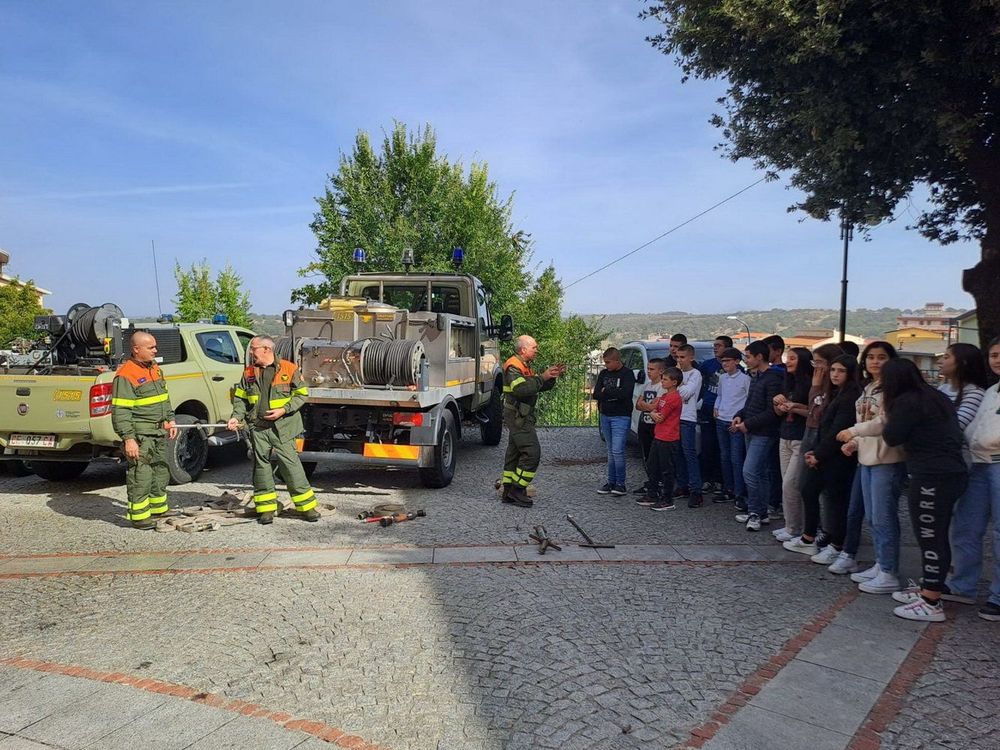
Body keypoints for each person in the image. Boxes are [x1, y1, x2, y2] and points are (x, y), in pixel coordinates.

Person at [845, 359, 969, 622]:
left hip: (932, 476)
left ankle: (931, 602)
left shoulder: (906, 402)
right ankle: (930, 589)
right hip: (949, 472)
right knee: (935, 535)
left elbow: (892, 436)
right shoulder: (931, 395)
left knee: (930, 537)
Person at [227, 336, 318, 525]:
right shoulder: (249, 373)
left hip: (283, 428)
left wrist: (283, 410)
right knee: (261, 468)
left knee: (290, 466)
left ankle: (307, 508)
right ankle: (266, 509)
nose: (250, 352)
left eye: (253, 348)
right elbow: (241, 399)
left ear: (267, 349)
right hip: (258, 428)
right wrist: (236, 417)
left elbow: (301, 395)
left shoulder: (289, 368)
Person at [840, 341, 906, 594]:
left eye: (881, 357)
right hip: (866, 459)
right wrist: (855, 442)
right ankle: (881, 563)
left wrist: (852, 432)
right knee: (873, 517)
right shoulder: (869, 387)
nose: (875, 362)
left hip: (887, 460)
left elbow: (883, 423)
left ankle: (889, 571)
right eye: (871, 357)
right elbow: (867, 422)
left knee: (884, 516)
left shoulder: (895, 391)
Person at [784, 355, 860, 562]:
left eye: (840, 370)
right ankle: (809, 538)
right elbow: (816, 415)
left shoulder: (850, 396)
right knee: (809, 489)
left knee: (835, 500)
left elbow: (834, 427)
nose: (834, 374)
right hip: (821, 448)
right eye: (833, 369)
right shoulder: (835, 392)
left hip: (836, 455)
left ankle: (836, 544)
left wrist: (819, 454)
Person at [946, 336, 1000, 622]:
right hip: (979, 464)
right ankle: (962, 585)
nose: (997, 359)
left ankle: (998, 596)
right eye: (993, 355)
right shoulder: (991, 391)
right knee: (966, 526)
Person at [111, 332, 177, 529]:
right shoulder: (125, 375)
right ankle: (139, 516)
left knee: (160, 470)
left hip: (159, 432)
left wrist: (170, 420)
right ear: (136, 349)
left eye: (155, 347)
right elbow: (120, 411)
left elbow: (164, 398)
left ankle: (158, 509)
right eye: (151, 348)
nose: (155, 351)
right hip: (141, 436)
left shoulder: (154, 369)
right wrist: (128, 439)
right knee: (141, 475)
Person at [498, 335, 565, 507]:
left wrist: (551, 377)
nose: (537, 350)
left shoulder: (524, 365)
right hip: (518, 416)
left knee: (514, 453)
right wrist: (542, 377)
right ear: (523, 349)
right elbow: (521, 390)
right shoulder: (513, 366)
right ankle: (518, 489)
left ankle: (508, 491)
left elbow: (536, 386)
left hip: (520, 414)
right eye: (534, 347)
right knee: (532, 453)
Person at [732, 340, 784, 530]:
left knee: (750, 471)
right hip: (751, 430)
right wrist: (740, 416)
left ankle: (754, 511)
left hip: (764, 432)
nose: (746, 360)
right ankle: (761, 512)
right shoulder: (756, 377)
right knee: (759, 473)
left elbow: (772, 411)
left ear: (759, 357)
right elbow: (750, 404)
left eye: (748, 356)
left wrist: (748, 423)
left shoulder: (773, 379)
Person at [772, 347, 814, 543]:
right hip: (785, 434)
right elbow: (779, 412)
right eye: (788, 358)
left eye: (793, 359)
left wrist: (794, 407)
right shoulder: (787, 381)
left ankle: (798, 528)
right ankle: (791, 525)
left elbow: (814, 412)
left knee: (792, 484)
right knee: (786, 484)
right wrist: (778, 403)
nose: (788, 362)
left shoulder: (811, 384)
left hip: (800, 437)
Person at [638, 366, 683, 511]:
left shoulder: (673, 398)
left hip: (669, 437)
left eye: (665, 380)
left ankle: (667, 499)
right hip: (659, 435)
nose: (662, 382)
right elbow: (652, 407)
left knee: (666, 469)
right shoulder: (664, 396)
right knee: (652, 465)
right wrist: (652, 411)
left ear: (674, 382)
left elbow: (659, 416)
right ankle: (653, 493)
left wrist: (651, 411)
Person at [593, 347, 636, 496]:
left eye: (608, 362)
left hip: (620, 416)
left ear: (617, 361)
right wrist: (607, 393)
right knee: (611, 451)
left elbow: (625, 393)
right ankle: (611, 481)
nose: (606, 365)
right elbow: (596, 394)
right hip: (605, 415)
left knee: (618, 450)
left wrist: (607, 392)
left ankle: (620, 483)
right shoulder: (604, 374)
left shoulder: (627, 374)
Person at [714, 347, 751, 508]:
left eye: (728, 361)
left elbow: (749, 401)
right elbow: (720, 395)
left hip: (734, 422)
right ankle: (728, 488)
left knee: (736, 459)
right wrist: (716, 407)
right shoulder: (722, 378)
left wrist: (741, 418)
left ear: (737, 361)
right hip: (721, 419)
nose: (725, 364)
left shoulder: (745, 379)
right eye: (723, 361)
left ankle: (739, 493)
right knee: (724, 457)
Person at [673, 344, 704, 507]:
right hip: (674, 418)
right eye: (677, 357)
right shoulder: (676, 373)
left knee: (689, 453)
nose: (679, 360)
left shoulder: (695, 374)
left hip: (687, 417)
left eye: (682, 357)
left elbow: (686, 393)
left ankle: (696, 490)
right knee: (678, 453)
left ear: (691, 358)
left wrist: (675, 383)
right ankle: (682, 484)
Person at [698, 336, 730, 494]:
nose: (715, 348)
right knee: (706, 445)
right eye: (714, 345)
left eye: (719, 345)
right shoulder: (707, 365)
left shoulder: (736, 368)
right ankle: (706, 479)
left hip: (725, 412)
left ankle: (720, 480)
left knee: (721, 447)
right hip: (707, 408)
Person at [633, 358, 667, 495]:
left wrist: (645, 406)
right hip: (645, 424)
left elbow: (656, 405)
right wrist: (647, 407)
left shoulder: (662, 387)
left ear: (661, 371)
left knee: (656, 457)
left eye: (652, 369)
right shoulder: (647, 384)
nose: (648, 372)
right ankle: (651, 481)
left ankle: (659, 483)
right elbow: (638, 404)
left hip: (656, 426)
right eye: (648, 369)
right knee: (646, 456)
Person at [762, 334, 786, 518]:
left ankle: (774, 502)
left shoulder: (780, 373)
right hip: (769, 424)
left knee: (774, 467)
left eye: (767, 350)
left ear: (778, 351)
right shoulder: (768, 372)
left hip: (775, 426)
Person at [937, 343, 988, 431]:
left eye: (946, 357)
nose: (939, 361)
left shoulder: (975, 393)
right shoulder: (942, 389)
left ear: (963, 362)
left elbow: (956, 426)